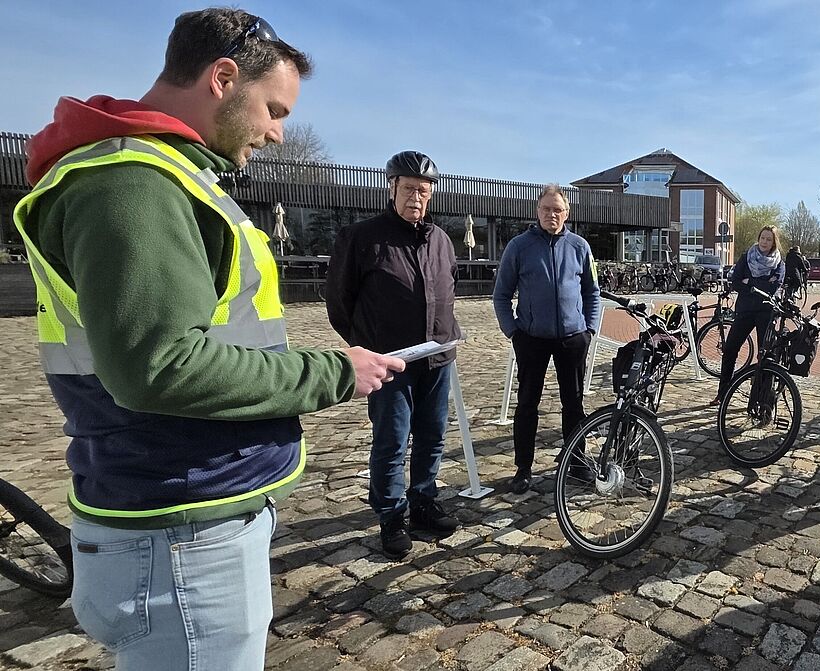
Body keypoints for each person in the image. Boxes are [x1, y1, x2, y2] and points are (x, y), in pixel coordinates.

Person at [13, 9, 404, 668]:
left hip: (182, 520)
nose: (279, 133)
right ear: (223, 77)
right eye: (274, 109)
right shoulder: (132, 182)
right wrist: (334, 371)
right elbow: (160, 365)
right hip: (178, 534)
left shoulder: (163, 175)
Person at [326, 151, 462, 559]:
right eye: (407, 189)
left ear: (432, 194)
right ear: (391, 188)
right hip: (389, 363)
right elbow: (339, 302)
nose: (415, 198)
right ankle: (391, 516)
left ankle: (423, 502)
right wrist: (366, 344)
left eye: (422, 191)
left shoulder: (440, 239)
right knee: (391, 441)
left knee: (432, 437)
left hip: (437, 357)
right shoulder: (362, 238)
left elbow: (448, 287)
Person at [493, 185, 600, 495]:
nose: (551, 214)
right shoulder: (519, 246)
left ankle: (576, 460)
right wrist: (513, 331)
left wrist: (589, 329)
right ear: (536, 211)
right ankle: (523, 467)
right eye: (546, 209)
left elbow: (592, 291)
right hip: (531, 338)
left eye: (557, 210)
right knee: (527, 404)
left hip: (572, 339)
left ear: (566, 213)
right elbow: (501, 295)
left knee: (574, 404)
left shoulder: (580, 247)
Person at [717, 226, 786, 402]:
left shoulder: (778, 263)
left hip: (766, 312)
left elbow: (774, 287)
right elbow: (735, 282)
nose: (764, 242)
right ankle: (723, 393)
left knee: (765, 356)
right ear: (758, 238)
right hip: (745, 311)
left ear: (774, 242)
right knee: (730, 349)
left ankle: (759, 397)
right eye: (762, 238)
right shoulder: (747, 257)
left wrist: (751, 283)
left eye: (769, 239)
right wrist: (759, 283)